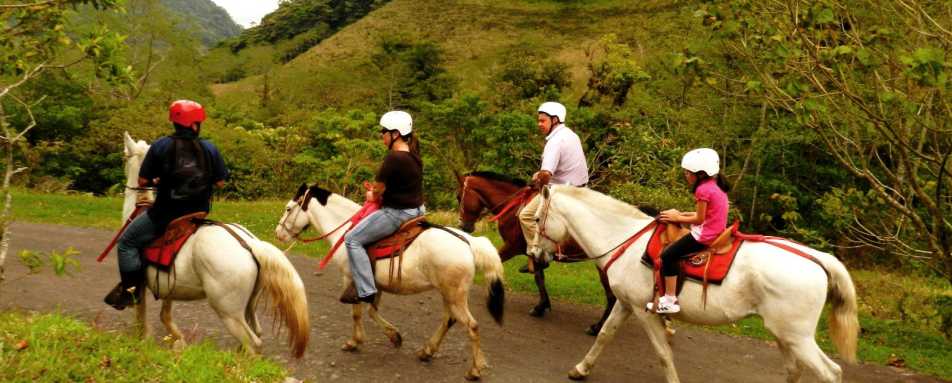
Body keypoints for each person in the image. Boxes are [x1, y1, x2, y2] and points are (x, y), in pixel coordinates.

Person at [104, 100, 229, 310]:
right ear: (194, 125)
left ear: (175, 123)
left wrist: (158, 180)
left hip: (165, 215)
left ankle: (130, 293)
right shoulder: (210, 148)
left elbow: (143, 181)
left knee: (126, 243)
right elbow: (221, 182)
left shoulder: (161, 145)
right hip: (198, 213)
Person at [340, 110, 425, 304]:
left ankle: (366, 289)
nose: (381, 135)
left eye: (384, 131)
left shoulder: (393, 158)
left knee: (352, 239)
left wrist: (371, 194)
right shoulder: (414, 155)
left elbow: (378, 189)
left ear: (395, 134)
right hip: (418, 209)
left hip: (397, 213)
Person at [650, 148, 730, 314]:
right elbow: (707, 214)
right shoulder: (715, 186)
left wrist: (677, 218)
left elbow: (699, 219)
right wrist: (680, 214)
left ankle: (670, 300)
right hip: (716, 230)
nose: (685, 175)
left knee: (668, 255)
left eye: (687, 173)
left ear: (700, 174)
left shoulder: (702, 190)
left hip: (704, 235)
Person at [519, 101, 589, 270]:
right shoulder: (571, 135)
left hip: (562, 192)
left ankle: (539, 252)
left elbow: (547, 174)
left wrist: (538, 183)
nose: (539, 124)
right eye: (539, 120)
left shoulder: (554, 142)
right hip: (581, 188)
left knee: (525, 215)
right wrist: (541, 174)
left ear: (555, 120)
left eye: (543, 121)